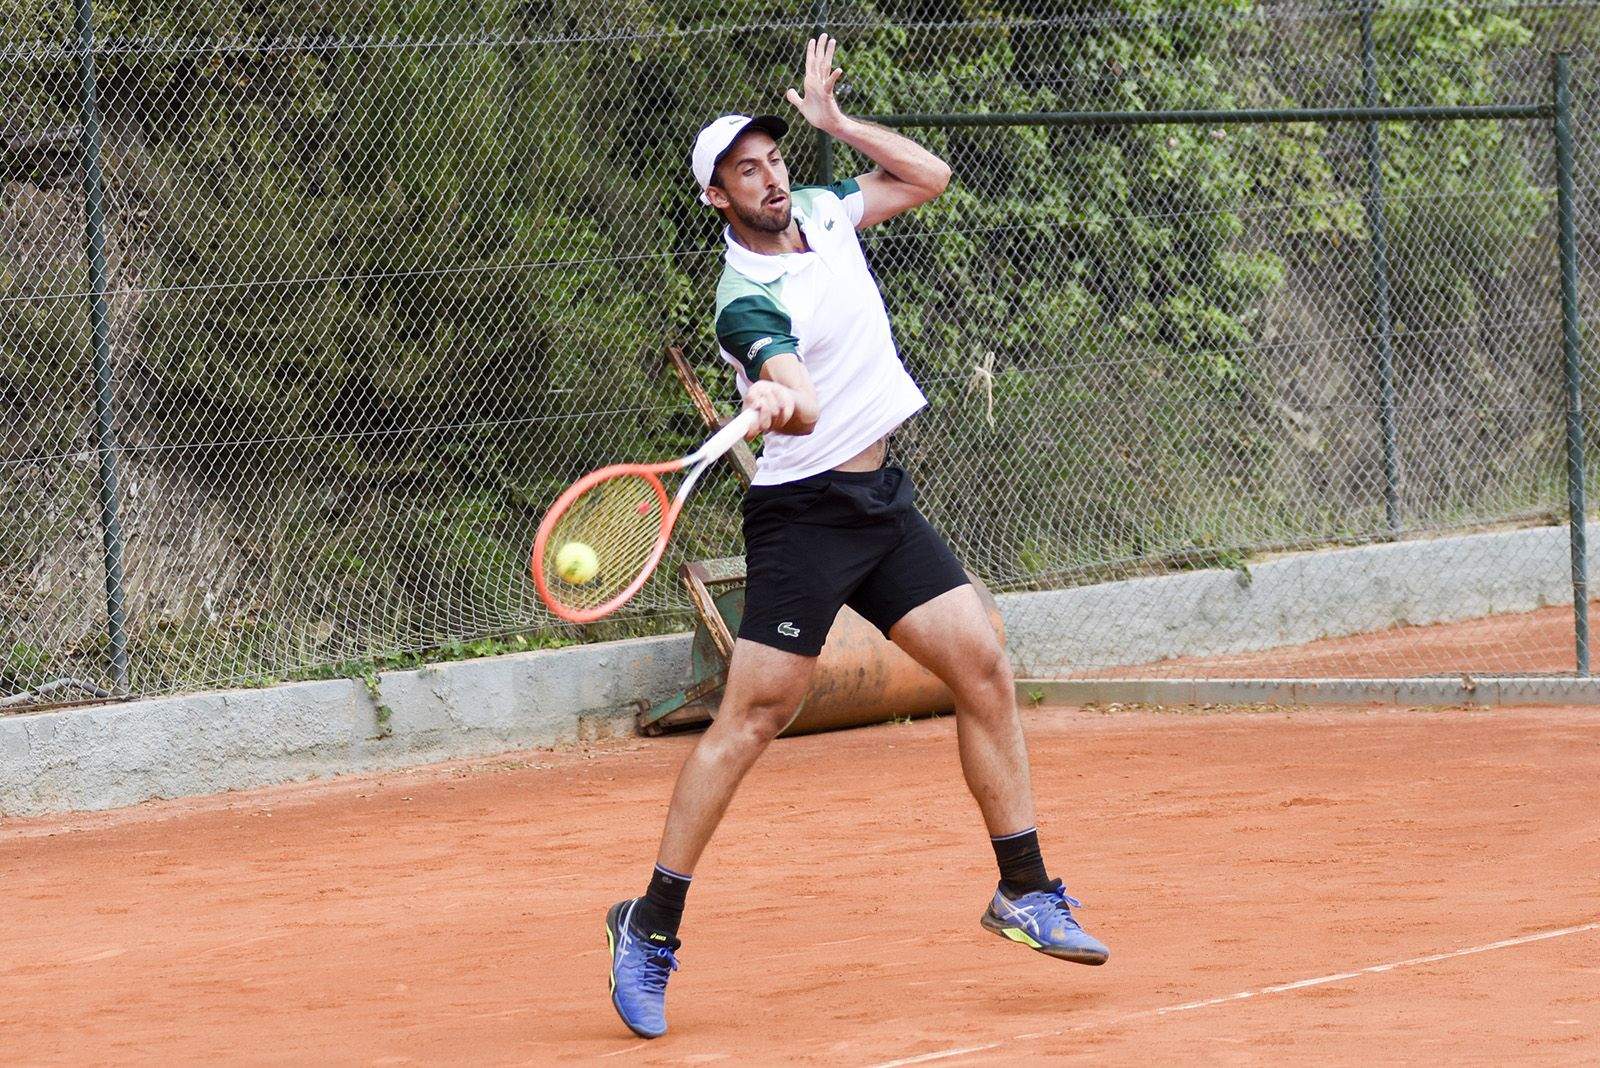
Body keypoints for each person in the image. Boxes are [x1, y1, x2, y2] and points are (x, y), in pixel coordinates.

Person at [604, 35, 1108, 1040]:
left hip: (883, 506)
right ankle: (649, 926)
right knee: (752, 721)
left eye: (774, 156)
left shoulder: (829, 212)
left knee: (983, 664)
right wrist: (782, 403)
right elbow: (784, 378)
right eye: (745, 169)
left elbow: (928, 176)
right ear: (717, 198)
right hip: (804, 519)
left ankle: (1023, 890)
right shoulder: (744, 299)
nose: (769, 175)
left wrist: (839, 124)